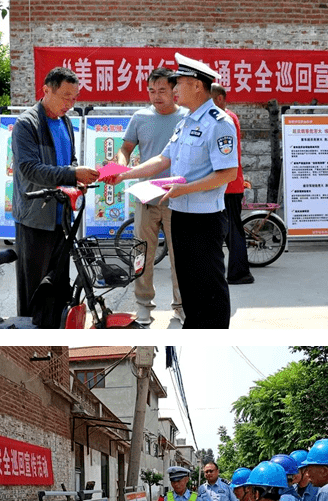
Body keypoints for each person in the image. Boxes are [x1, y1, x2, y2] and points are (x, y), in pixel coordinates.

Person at [103, 53, 238, 329]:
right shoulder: (185, 122)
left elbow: (228, 173)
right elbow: (163, 160)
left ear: (197, 86)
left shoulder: (218, 122)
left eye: (179, 83)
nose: (175, 89)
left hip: (204, 219)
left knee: (208, 286)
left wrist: (185, 188)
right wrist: (123, 174)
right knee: (188, 282)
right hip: (180, 214)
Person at [12, 66, 99, 322]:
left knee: (60, 288)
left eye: (74, 98)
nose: (70, 104)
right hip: (36, 218)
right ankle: (29, 335)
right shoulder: (26, 124)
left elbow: (68, 161)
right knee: (34, 290)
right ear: (46, 90)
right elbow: (30, 169)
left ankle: (54, 334)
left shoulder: (65, 122)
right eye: (65, 97)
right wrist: (72, 175)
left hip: (62, 219)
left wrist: (77, 181)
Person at [116, 67, 187, 325]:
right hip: (146, 197)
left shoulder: (187, 118)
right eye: (151, 91)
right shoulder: (140, 117)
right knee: (142, 253)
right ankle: (143, 304)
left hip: (177, 198)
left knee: (179, 255)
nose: (156, 96)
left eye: (162, 91)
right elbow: (125, 148)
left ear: (174, 90)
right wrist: (122, 166)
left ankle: (180, 305)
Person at [210, 82, 254, 285]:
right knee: (229, 231)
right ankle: (237, 270)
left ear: (219, 99)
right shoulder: (227, 118)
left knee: (233, 231)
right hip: (228, 184)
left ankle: (240, 272)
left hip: (229, 185)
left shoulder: (226, 118)